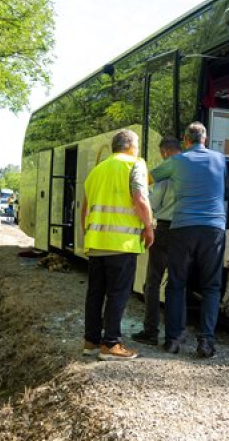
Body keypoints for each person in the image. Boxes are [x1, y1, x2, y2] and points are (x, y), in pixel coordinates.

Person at [151, 121, 226, 358]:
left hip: (182, 227)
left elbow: (151, 177)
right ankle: (206, 342)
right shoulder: (220, 159)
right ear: (205, 139)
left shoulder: (176, 161)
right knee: (211, 286)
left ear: (185, 141)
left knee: (176, 283)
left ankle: (173, 340)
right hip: (213, 228)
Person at [81, 129, 155, 361]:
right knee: (118, 293)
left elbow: (84, 210)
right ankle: (111, 344)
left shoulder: (96, 171)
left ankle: (91, 341)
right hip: (121, 243)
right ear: (131, 146)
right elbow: (140, 198)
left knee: (95, 293)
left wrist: (91, 234)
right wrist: (149, 226)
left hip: (96, 242)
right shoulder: (135, 164)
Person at [131, 136, 181, 346]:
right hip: (186, 232)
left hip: (165, 229)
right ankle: (175, 336)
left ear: (165, 152)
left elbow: (151, 203)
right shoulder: (191, 173)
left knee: (152, 283)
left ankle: (151, 331)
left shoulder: (165, 175)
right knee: (177, 284)